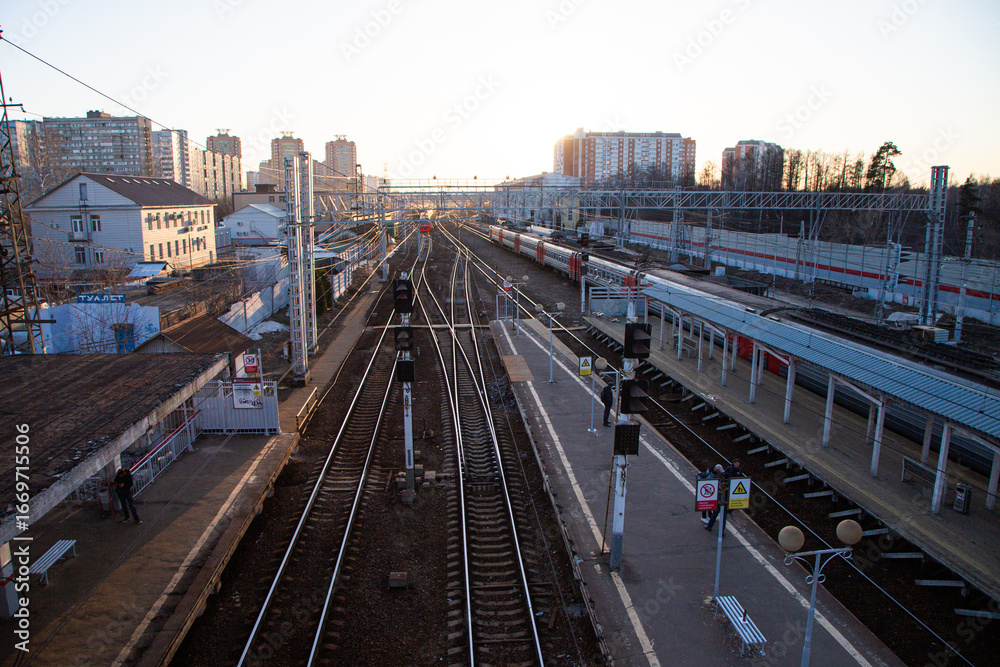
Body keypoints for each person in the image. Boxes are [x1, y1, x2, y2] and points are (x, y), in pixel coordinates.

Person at [706, 459, 743, 534]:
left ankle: (711, 527)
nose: (737, 465)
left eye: (738, 464)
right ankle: (718, 530)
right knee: (720, 514)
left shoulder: (738, 470)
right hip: (724, 499)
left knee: (717, 513)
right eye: (736, 463)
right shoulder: (730, 470)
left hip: (725, 498)